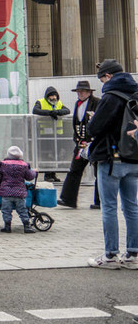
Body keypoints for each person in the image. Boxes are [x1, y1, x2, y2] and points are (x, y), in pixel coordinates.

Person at [86, 59, 138, 269]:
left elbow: (95, 128)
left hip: (110, 158)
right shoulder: (136, 94)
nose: (101, 83)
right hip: (134, 158)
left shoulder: (111, 96)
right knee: (132, 207)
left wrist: (92, 120)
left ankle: (110, 255)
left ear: (108, 76)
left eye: (101, 79)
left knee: (109, 207)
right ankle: (133, 255)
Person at [60, 80, 100, 208]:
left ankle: (100, 202)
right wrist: (77, 139)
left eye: (83, 91)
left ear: (89, 92)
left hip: (93, 143)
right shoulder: (77, 104)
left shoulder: (97, 103)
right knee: (74, 171)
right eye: (79, 91)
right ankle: (68, 199)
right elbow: (77, 123)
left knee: (99, 172)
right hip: (81, 144)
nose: (80, 93)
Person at [0, 146, 37, 233]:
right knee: (22, 210)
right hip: (19, 192)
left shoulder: (2, 164)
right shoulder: (24, 165)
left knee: (6, 210)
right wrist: (34, 172)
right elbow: (29, 177)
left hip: (6, 192)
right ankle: (27, 226)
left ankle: (7, 226)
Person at [33, 86, 70, 182]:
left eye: (55, 96)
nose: (53, 98)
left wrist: (57, 112)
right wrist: (50, 113)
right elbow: (36, 111)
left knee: (55, 154)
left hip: (57, 134)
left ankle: (53, 174)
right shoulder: (40, 102)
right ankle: (47, 175)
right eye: (51, 96)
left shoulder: (59, 103)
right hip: (45, 134)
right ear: (47, 96)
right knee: (48, 154)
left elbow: (67, 110)